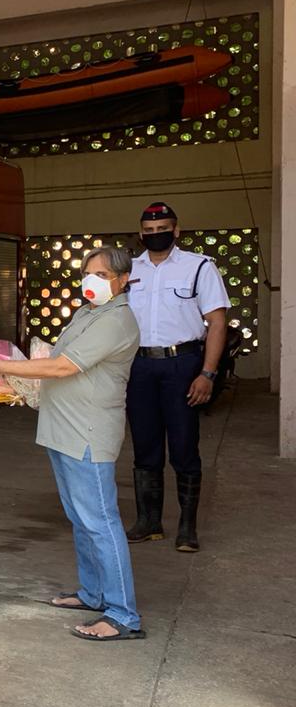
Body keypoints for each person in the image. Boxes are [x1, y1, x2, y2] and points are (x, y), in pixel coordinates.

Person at [0, 246, 143, 642]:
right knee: (80, 518)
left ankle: (122, 615)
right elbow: (55, 359)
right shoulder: (87, 314)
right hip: (62, 429)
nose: (91, 281)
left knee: (100, 522)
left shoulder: (116, 321)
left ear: (123, 280)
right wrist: (15, 378)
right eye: (88, 273)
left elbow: (63, 366)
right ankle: (93, 593)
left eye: (101, 274)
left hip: (87, 433)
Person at [123, 203, 229, 553]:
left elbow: (217, 323)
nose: (156, 235)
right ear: (141, 234)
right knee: (145, 446)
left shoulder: (199, 267)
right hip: (140, 366)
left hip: (182, 365)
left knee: (184, 447)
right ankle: (149, 522)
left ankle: (187, 527)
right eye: (149, 231)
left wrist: (207, 373)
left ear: (176, 230)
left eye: (163, 229)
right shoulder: (129, 270)